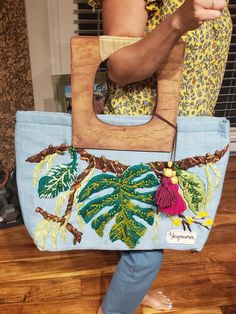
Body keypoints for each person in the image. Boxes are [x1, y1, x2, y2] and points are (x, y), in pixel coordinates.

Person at [86, 0, 232, 313]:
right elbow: (119, 68)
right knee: (147, 247)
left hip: (184, 139)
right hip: (141, 140)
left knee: (148, 238)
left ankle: (134, 291)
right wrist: (177, 21)